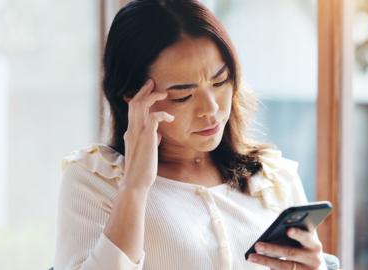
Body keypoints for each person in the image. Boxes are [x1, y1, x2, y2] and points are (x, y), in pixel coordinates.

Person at [54, 0, 329, 269]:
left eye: (220, 81)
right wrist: (134, 187)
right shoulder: (95, 179)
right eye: (183, 96)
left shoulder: (274, 178)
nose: (211, 109)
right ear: (132, 97)